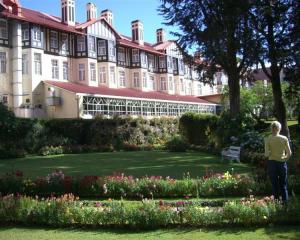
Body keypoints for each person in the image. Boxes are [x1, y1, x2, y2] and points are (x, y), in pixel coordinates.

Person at [264, 121, 292, 204]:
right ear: (279, 128)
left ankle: (276, 204)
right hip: (282, 163)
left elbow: (266, 154)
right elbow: (289, 153)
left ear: (271, 128)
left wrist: (270, 152)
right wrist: (284, 159)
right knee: (283, 185)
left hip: (272, 163)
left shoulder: (268, 138)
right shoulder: (284, 138)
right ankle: (285, 204)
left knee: (275, 185)